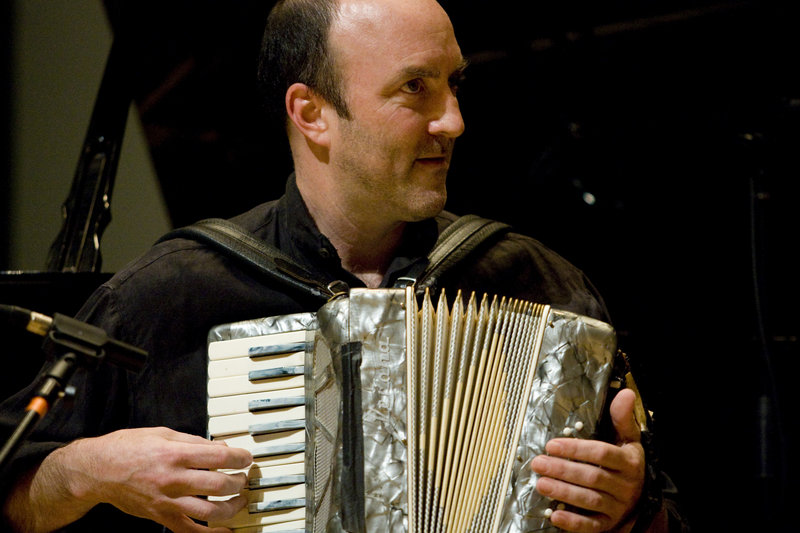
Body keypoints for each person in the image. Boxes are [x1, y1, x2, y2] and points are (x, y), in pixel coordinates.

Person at [0, 0, 687, 531]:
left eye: (454, 83)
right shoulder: (171, 294)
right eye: (415, 88)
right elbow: (9, 495)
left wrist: (628, 508)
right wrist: (83, 469)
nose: (453, 121)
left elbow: (662, 516)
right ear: (312, 113)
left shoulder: (540, 285)